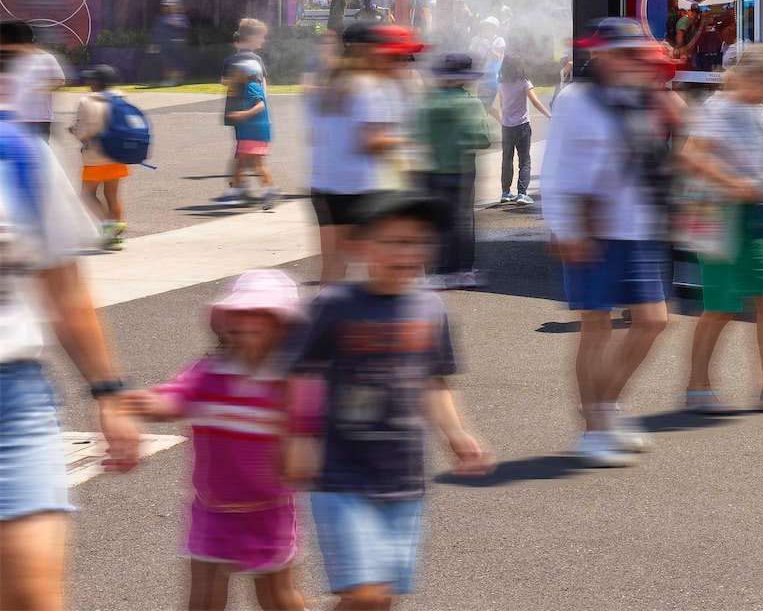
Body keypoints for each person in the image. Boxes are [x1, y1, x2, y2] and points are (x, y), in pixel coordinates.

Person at [284, 192, 489, 610]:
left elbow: (435, 381)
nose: (409, 252)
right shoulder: (335, 304)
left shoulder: (432, 307)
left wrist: (457, 434)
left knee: (379, 600)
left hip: (403, 479)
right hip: (340, 474)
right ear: (360, 246)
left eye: (418, 241)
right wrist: (301, 436)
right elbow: (300, 371)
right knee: (365, 591)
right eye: (394, 241)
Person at [0, 98, 141, 611]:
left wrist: (108, 391)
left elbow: (63, 287)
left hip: (11, 405)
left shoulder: (16, 152)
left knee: (34, 599)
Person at [124, 270, 316, 611]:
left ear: (284, 327)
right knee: (204, 594)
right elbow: (177, 399)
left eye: (262, 314)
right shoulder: (208, 372)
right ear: (224, 323)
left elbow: (306, 431)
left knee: (277, 593)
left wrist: (303, 454)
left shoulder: (289, 382)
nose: (248, 322)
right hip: (212, 506)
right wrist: (150, 404)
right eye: (240, 314)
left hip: (269, 508)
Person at [543, 20, 682, 465]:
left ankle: (606, 408)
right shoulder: (576, 99)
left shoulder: (641, 97)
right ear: (600, 56)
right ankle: (593, 429)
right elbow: (559, 166)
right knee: (596, 328)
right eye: (623, 54)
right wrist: (565, 228)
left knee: (654, 321)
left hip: (639, 228)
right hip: (592, 230)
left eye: (636, 55)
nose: (632, 62)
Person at [679, 44, 763, 414]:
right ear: (748, 77)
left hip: (756, 214)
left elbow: (752, 161)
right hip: (721, 216)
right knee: (721, 306)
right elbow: (691, 156)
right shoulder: (719, 108)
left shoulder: (757, 109)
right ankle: (697, 387)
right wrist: (736, 183)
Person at [308, 24, 421, 285]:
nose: (404, 64)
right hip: (361, 189)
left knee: (334, 270)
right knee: (382, 269)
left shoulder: (330, 81)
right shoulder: (369, 86)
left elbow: (314, 135)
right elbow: (371, 141)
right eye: (399, 57)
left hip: (326, 185)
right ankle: (382, 321)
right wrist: (415, 145)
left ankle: (326, 322)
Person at [416, 54, 494, 290]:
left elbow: (418, 135)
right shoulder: (473, 103)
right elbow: (485, 140)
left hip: (433, 168)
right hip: (463, 169)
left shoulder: (429, 102)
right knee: (464, 220)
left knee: (437, 220)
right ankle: (465, 270)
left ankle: (440, 271)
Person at [71, 65, 135, 249]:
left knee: (87, 194)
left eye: (91, 80)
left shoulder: (87, 101)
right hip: (118, 154)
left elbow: (82, 132)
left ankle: (110, 225)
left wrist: (73, 130)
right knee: (112, 195)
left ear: (97, 82)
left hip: (95, 156)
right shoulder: (122, 98)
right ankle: (113, 238)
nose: (89, 83)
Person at [492, 38, 549, 205]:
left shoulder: (502, 84)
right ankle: (522, 193)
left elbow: (502, 104)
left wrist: (505, 118)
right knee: (524, 160)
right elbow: (536, 102)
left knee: (507, 159)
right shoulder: (524, 83)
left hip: (506, 126)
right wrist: (549, 115)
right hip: (522, 126)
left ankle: (505, 192)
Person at [221, 43, 277, 210]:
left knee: (256, 163)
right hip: (251, 131)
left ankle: (270, 191)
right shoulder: (248, 86)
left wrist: (242, 114)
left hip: (256, 131)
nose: (236, 74)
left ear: (247, 73)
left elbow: (260, 106)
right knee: (241, 161)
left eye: (239, 71)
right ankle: (236, 191)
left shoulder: (252, 87)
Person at [0, 20, 67, 142]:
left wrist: (39, 88)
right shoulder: (9, 60)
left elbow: (60, 81)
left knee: (40, 151)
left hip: (41, 118)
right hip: (15, 118)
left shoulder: (47, 58)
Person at [152, 0, 191, 86]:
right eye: (166, 6)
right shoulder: (160, 19)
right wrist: (154, 43)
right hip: (164, 45)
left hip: (177, 45)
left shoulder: (182, 17)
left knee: (175, 63)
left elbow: (184, 27)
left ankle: (174, 80)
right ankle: (169, 80)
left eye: (170, 6)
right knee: (166, 63)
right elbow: (157, 31)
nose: (167, 8)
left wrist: (175, 23)